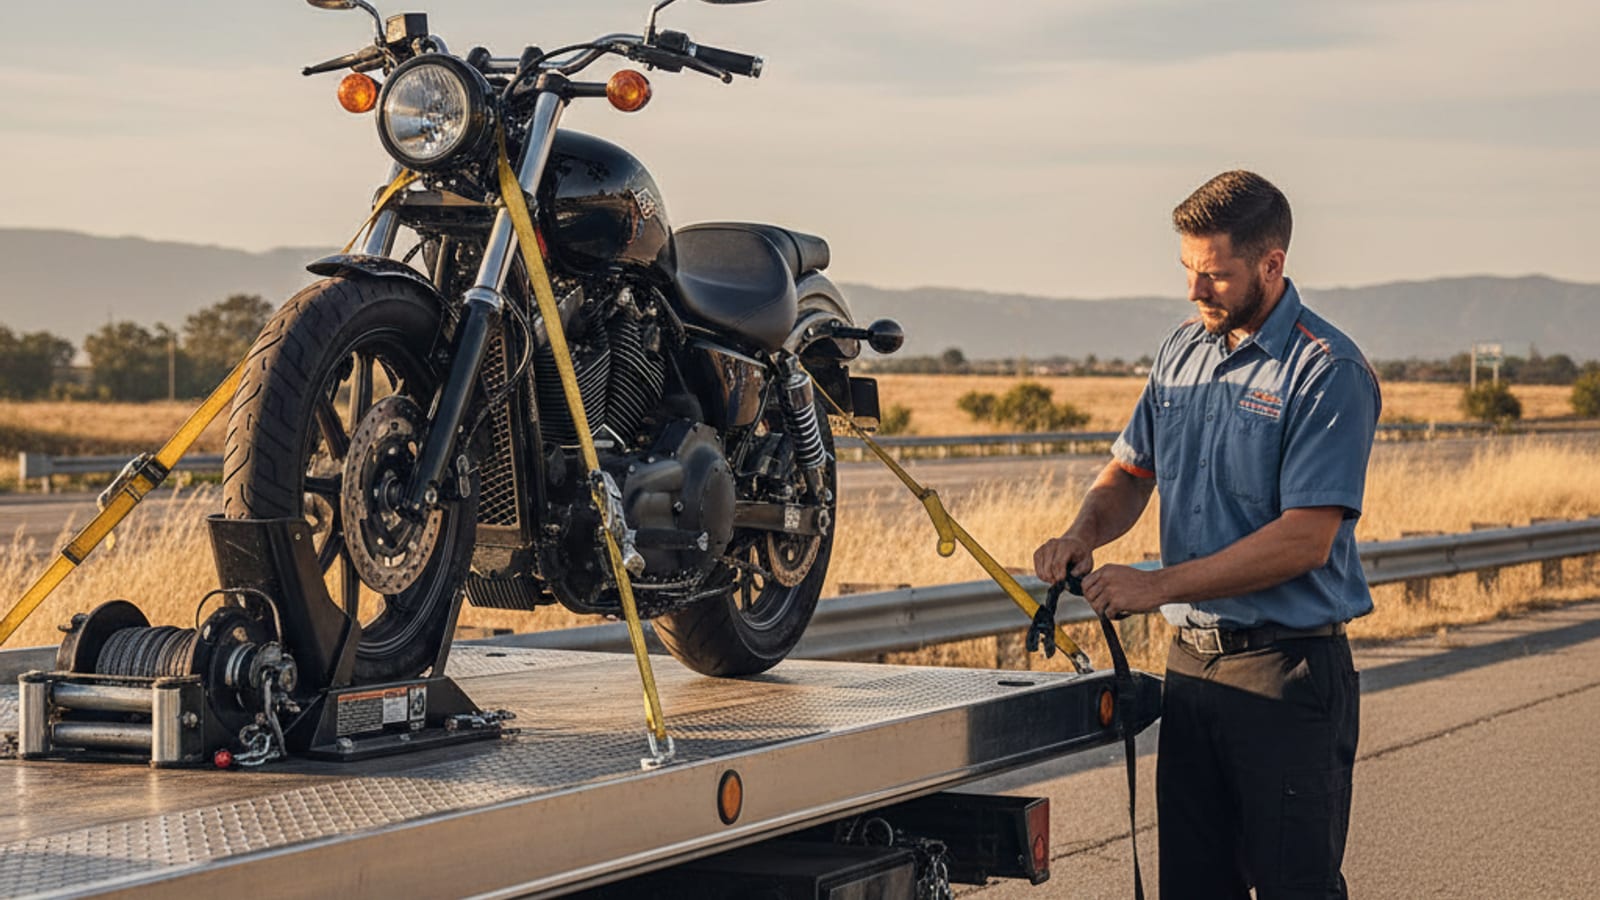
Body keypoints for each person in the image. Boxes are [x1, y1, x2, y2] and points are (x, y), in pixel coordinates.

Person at [1033, 170, 1380, 899]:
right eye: (1188, 272)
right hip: (1191, 672)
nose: (1196, 292)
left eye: (1215, 275)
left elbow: (1303, 541)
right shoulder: (1180, 353)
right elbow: (1129, 474)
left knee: (1295, 887)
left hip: (1286, 675)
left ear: (1271, 264)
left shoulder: (1326, 369)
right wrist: (1081, 533)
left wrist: (1154, 585)